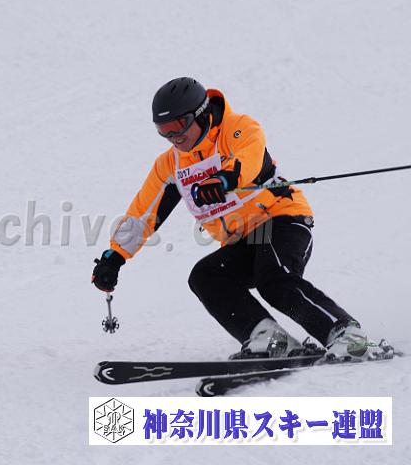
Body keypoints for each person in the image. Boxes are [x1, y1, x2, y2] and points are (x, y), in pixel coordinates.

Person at [91, 77, 391, 361]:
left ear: (201, 115)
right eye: (163, 130)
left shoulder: (237, 128)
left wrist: (224, 179)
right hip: (243, 240)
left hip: (282, 219)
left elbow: (248, 156)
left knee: (274, 280)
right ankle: (270, 340)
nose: (174, 137)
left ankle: (349, 337)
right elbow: (143, 212)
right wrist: (115, 257)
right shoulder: (170, 165)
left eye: (178, 126)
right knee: (205, 276)